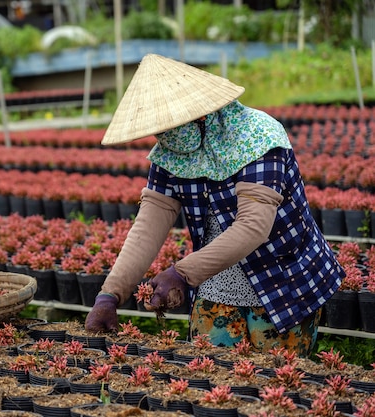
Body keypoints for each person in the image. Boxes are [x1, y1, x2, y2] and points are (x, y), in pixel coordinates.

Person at [84, 54, 346, 357]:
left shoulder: (257, 138)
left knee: (276, 386)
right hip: (214, 282)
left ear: (199, 115)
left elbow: (253, 227)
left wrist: (181, 273)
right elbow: (148, 225)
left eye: (170, 125)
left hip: (283, 282)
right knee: (213, 377)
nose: (164, 135)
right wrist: (110, 294)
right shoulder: (171, 152)